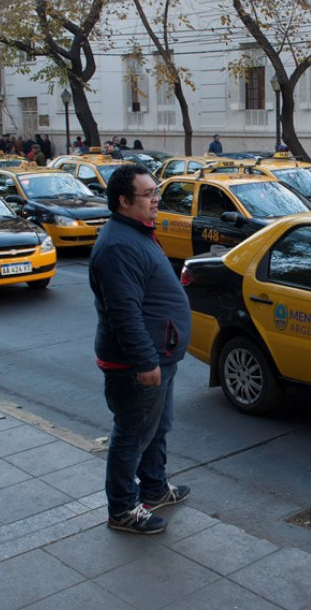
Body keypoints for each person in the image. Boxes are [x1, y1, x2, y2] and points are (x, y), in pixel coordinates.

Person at [89, 164, 192, 535]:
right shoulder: (118, 245)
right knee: (132, 434)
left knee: (157, 428)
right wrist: (146, 361)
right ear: (123, 201)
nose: (156, 200)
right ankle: (122, 509)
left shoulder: (135, 233)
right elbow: (123, 313)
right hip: (137, 363)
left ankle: (153, 487)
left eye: (155, 192)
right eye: (148, 194)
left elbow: (143, 291)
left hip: (160, 356)